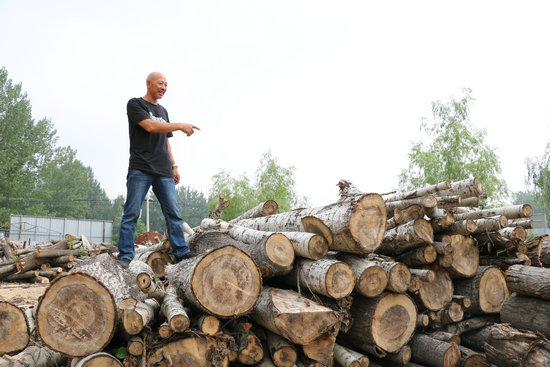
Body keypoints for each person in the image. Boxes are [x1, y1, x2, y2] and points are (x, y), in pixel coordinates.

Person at [117, 72, 200, 268]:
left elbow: (165, 140)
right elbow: (150, 127)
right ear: (149, 84)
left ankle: (181, 252)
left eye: (166, 85)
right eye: (160, 84)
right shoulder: (135, 104)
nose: (164, 87)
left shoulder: (163, 111)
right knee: (131, 213)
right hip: (141, 168)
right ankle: (125, 256)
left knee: (173, 213)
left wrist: (174, 165)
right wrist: (181, 125)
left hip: (164, 170)